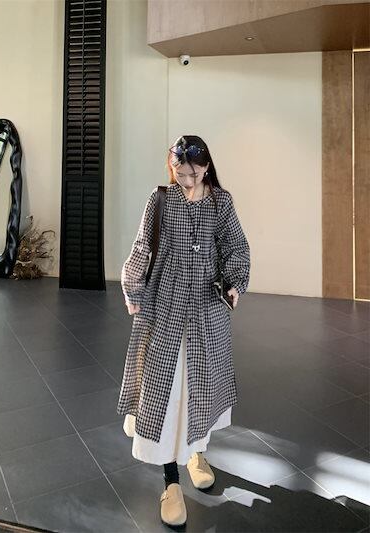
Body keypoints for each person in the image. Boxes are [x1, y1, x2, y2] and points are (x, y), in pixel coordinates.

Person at [117, 135, 251, 527]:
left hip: (208, 307)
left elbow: (236, 247)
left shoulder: (221, 202)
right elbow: (142, 245)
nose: (187, 180)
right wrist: (133, 287)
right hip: (165, 302)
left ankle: (197, 452)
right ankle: (170, 481)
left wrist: (235, 284)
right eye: (180, 173)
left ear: (207, 167)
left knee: (202, 384)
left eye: (193, 173)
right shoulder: (160, 199)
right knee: (166, 386)